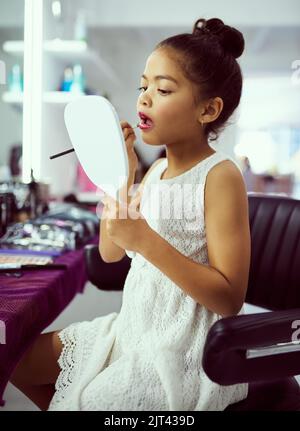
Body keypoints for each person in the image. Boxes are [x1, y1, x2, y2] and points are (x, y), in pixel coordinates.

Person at [10, 17, 251, 411]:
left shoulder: (220, 177)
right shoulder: (155, 171)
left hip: (184, 353)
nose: (143, 98)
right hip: (130, 333)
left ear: (208, 109)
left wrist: (147, 241)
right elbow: (111, 252)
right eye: (143, 86)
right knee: (14, 361)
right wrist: (120, 175)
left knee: (85, 402)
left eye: (163, 89)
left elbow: (228, 300)